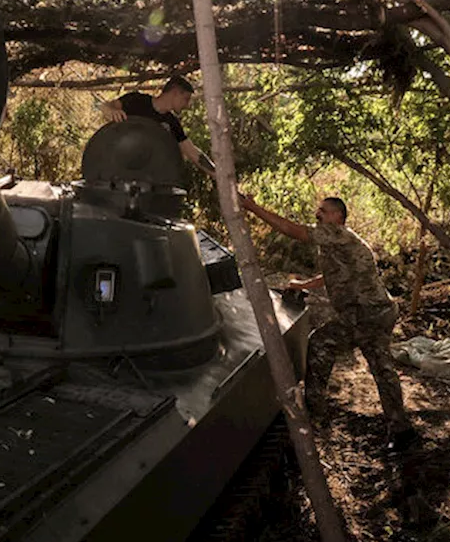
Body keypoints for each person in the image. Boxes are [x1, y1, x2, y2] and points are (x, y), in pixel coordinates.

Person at [237, 192, 418, 451]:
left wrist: (252, 207)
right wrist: (303, 284)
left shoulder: (338, 233)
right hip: (376, 313)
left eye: (323, 211)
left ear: (338, 216)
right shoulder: (339, 242)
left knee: (320, 344)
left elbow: (294, 231)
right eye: (318, 210)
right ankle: (401, 429)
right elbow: (334, 274)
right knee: (382, 368)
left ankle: (316, 418)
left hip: (366, 314)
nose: (317, 214)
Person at [99, 76, 215, 176]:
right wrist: (111, 111)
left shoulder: (172, 122)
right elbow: (106, 106)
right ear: (175, 93)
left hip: (147, 177)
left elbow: (192, 152)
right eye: (186, 99)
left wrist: (217, 174)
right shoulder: (136, 101)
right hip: (117, 169)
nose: (187, 105)